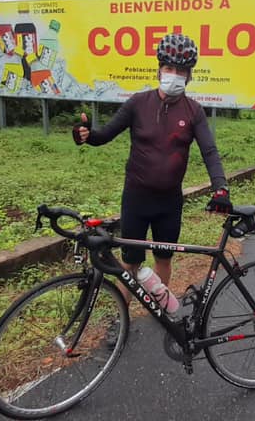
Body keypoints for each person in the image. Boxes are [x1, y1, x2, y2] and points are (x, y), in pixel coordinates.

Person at [73, 33, 231, 291]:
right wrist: (86, 136)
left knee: (163, 260)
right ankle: (123, 320)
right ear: (159, 69)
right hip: (136, 199)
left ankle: (158, 314)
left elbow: (210, 151)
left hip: (170, 203)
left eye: (182, 70)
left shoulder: (194, 111)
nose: (175, 75)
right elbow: (104, 136)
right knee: (130, 264)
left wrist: (220, 187)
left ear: (189, 75)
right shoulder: (138, 103)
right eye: (170, 67)